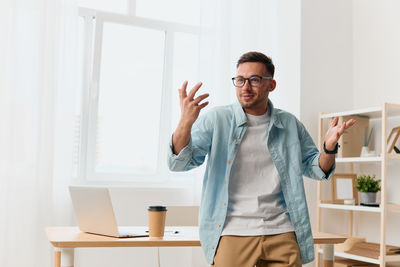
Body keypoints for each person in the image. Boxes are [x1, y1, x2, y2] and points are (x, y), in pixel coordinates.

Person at [167, 51, 355, 267]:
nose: (245, 87)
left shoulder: (289, 124)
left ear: (271, 85)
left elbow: (318, 169)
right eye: (240, 80)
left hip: (282, 231)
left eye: (254, 80)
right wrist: (185, 123)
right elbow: (178, 163)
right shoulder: (217, 119)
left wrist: (329, 148)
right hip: (232, 232)